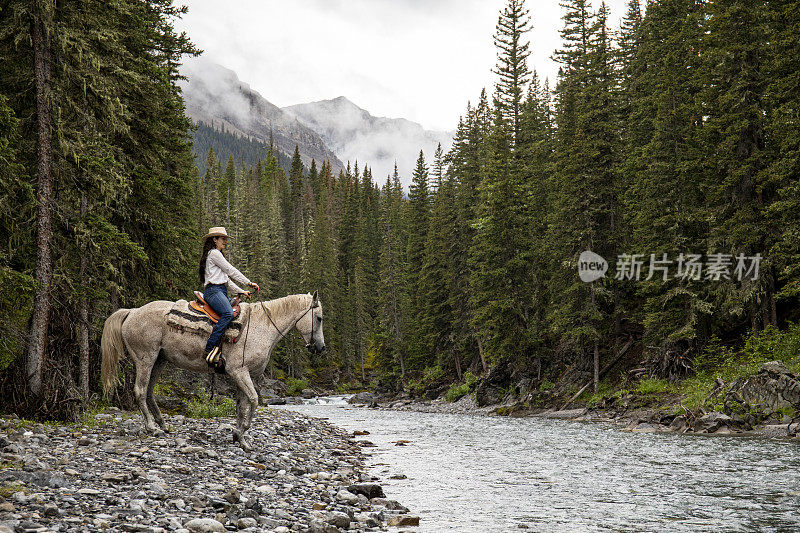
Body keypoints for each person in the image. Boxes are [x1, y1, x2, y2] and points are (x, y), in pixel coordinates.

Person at [198, 227, 260, 371]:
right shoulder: (214, 253)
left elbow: (226, 281)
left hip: (220, 291)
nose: (226, 242)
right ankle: (209, 347)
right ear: (214, 240)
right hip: (213, 291)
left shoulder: (215, 255)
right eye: (223, 239)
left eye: (226, 239)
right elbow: (230, 270)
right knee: (228, 314)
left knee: (231, 313)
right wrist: (249, 282)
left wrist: (242, 291)